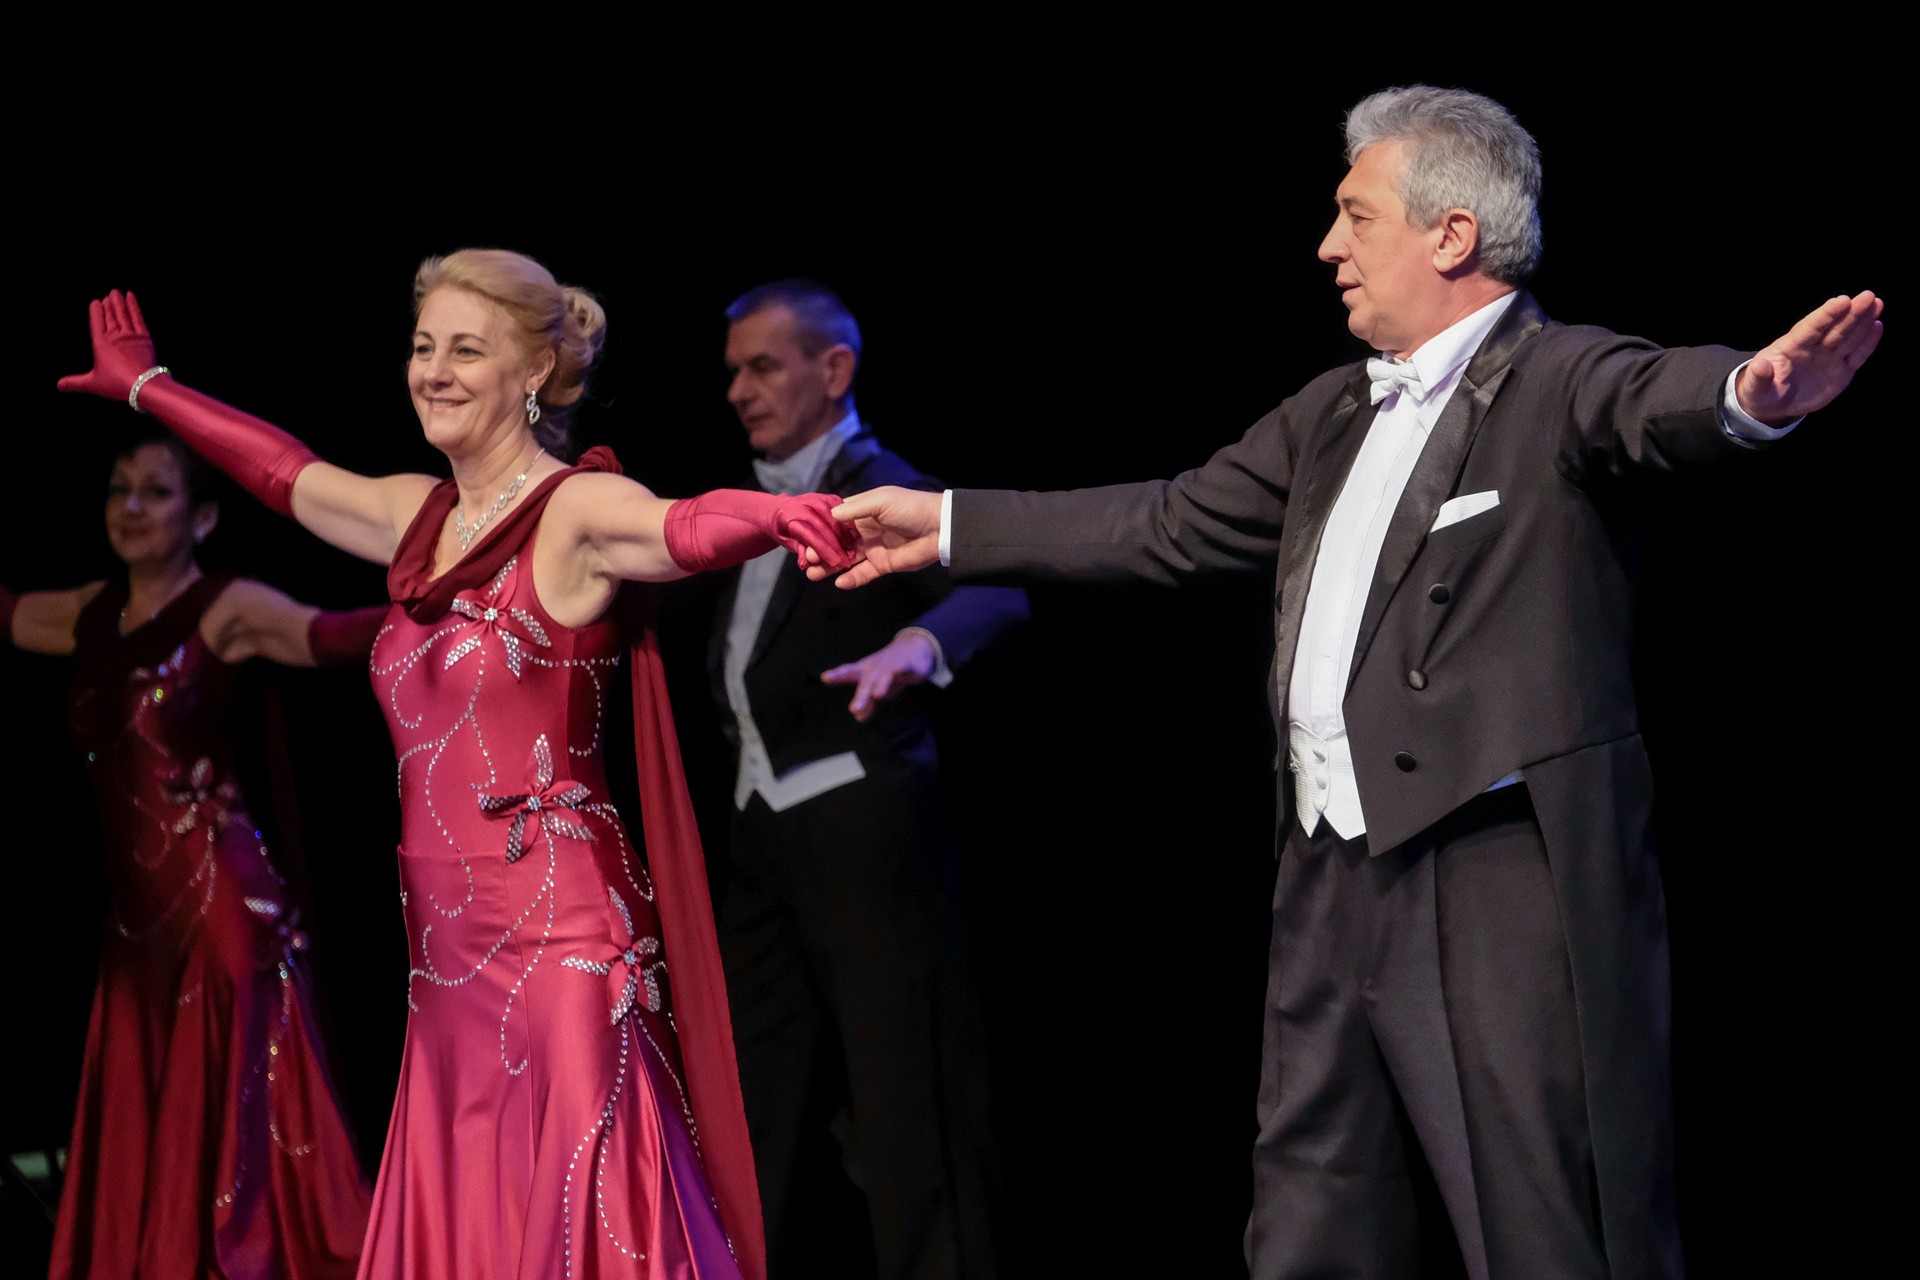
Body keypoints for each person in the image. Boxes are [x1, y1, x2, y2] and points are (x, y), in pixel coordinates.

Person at [821, 87, 1883, 1280]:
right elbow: (1165, 520)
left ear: (1451, 235)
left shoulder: (1556, 375)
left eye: (1356, 215)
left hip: (1487, 868)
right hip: (1327, 864)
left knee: (1539, 1220)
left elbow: (1650, 397)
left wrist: (1751, 396)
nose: (1329, 246)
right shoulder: (1331, 409)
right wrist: (947, 524)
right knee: (1311, 1215)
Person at [56, 251, 860, 1280]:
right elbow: (281, 471)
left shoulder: (574, 509)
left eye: (466, 350)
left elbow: (683, 526)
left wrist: (780, 517)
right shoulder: (415, 515)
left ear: (533, 370)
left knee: (584, 1225)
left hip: (563, 943)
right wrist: (148, 387)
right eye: (423, 346)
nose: (433, 371)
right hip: (444, 964)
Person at [2, 430, 382, 1278]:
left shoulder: (224, 606)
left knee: (235, 1156)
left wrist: (459, 594)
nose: (132, 507)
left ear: (203, 517)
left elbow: (332, 635)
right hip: (135, 929)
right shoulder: (91, 611)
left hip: (220, 916)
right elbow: (9, 612)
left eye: (157, 491)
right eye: (119, 490)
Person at [710, 281, 1025, 1279]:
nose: (740, 391)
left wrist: (916, 646)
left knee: (904, 1100)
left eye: (764, 367)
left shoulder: (880, 485)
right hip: (760, 839)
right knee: (755, 1102)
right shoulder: (750, 507)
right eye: (734, 371)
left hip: (865, 834)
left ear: (834, 370)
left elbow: (995, 585)